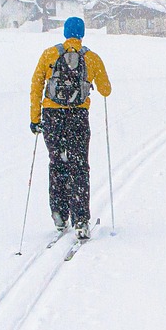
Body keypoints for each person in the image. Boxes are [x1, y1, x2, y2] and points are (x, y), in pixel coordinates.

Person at [30, 16, 111, 239]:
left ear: (65, 33)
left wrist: (35, 118)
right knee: (79, 166)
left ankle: (58, 212)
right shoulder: (91, 58)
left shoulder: (49, 55)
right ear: (82, 33)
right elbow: (106, 89)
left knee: (57, 163)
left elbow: (36, 85)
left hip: (52, 116)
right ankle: (81, 219)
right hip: (77, 117)